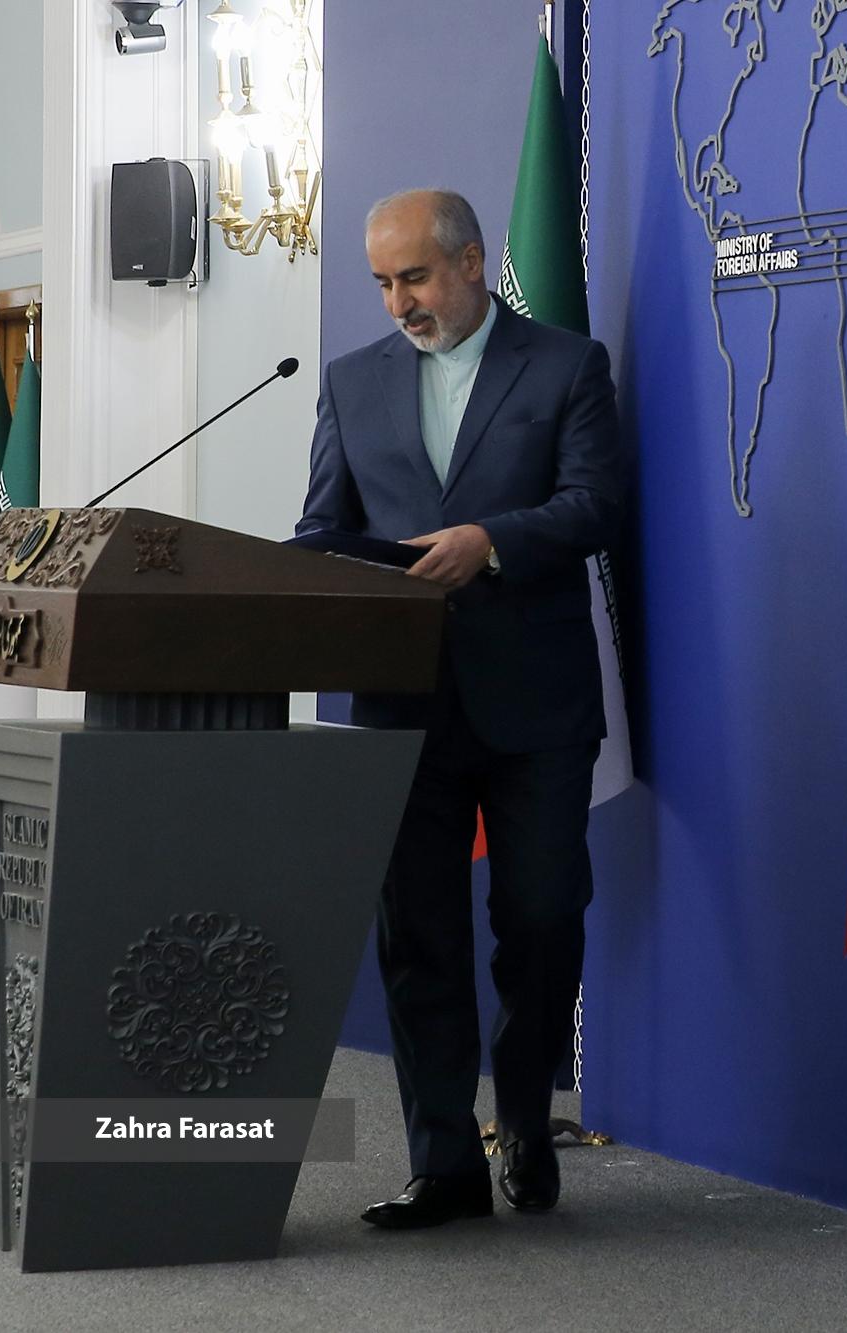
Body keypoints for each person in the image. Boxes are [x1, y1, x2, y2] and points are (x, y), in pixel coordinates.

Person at [299, 188, 623, 1228]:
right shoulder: (352, 382)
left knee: (540, 920)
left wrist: (490, 542)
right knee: (418, 936)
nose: (399, 302)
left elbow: (596, 504)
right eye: (383, 283)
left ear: (472, 263)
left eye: (416, 278)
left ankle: (523, 1120)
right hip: (401, 702)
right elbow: (321, 528)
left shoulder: (566, 366)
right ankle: (442, 1163)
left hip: (535, 700)